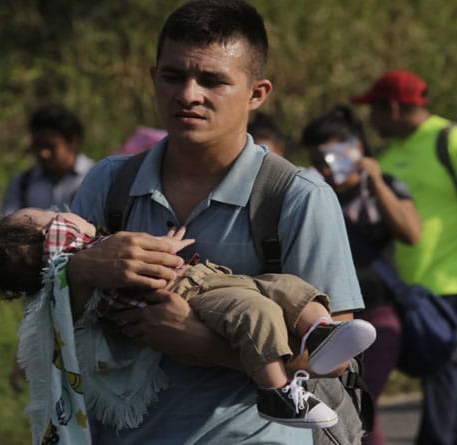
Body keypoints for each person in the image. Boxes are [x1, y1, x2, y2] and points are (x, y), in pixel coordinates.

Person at [63, 1, 366, 443]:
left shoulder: (296, 197)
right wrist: (85, 270)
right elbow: (54, 315)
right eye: (172, 76)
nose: (188, 95)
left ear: (257, 93)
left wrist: (202, 344)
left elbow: (333, 357)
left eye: (212, 80)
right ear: (153, 78)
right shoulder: (109, 184)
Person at [0, 207, 377, 430]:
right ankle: (278, 394)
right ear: (54, 236)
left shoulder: (296, 193)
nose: (64, 210)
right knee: (258, 313)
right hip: (191, 294)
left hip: (207, 280)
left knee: (282, 286)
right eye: (49, 214)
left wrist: (165, 246)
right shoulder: (78, 253)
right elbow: (78, 253)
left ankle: (320, 334)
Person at [351, 70, 457, 445]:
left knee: (442, 366)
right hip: (410, 285)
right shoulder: (389, 154)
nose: (371, 120)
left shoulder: (453, 139)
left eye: (374, 110)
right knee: (440, 368)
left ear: (392, 108)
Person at [301, 105, 422, 445]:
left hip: (378, 316)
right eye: (318, 161)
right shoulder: (313, 194)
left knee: (362, 401)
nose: (326, 168)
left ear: (354, 146)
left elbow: (411, 233)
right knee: (340, 404)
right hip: (328, 320)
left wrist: (377, 181)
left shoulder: (382, 188)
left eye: (331, 157)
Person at [0, 104, 95, 216]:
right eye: (38, 145)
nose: (43, 153)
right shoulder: (22, 184)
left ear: (73, 142)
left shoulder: (96, 178)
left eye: (51, 147)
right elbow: (5, 222)